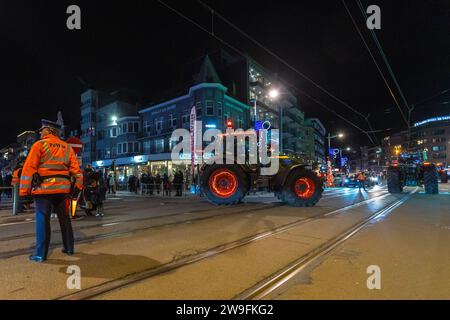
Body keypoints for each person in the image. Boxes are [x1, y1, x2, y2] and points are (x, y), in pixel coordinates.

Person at [19, 119, 83, 263]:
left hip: (44, 190)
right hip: (62, 190)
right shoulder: (67, 147)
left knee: (43, 219)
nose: (40, 132)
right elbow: (76, 171)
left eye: (42, 129)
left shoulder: (39, 145)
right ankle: (69, 248)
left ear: (48, 130)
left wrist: (24, 191)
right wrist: (77, 187)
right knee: (65, 219)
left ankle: (40, 254)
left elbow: (29, 169)